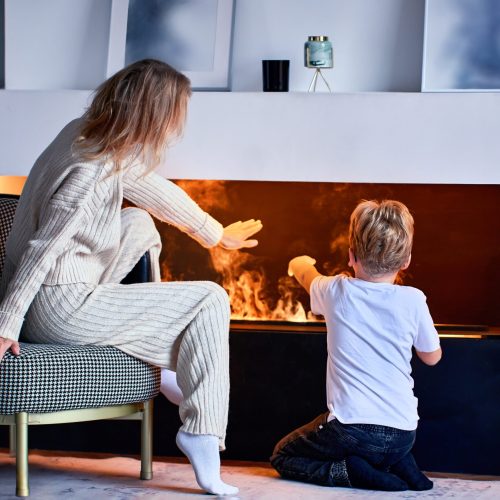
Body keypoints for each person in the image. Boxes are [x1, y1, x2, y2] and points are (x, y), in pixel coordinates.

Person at [0, 59, 263, 496]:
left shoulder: (86, 134)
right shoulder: (90, 172)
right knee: (211, 298)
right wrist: (6, 323)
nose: (174, 128)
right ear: (153, 114)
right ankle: (201, 432)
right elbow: (42, 249)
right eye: (173, 116)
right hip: (60, 305)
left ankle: (161, 354)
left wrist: (216, 234)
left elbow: (150, 188)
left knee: (139, 221)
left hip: (70, 281)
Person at [271, 199, 441, 491]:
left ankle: (349, 472)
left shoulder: (336, 290)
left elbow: (306, 276)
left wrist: (298, 263)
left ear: (351, 256)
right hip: (405, 432)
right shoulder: (413, 299)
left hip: (351, 430)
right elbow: (432, 357)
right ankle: (402, 465)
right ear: (406, 261)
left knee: (282, 455)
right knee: (384, 445)